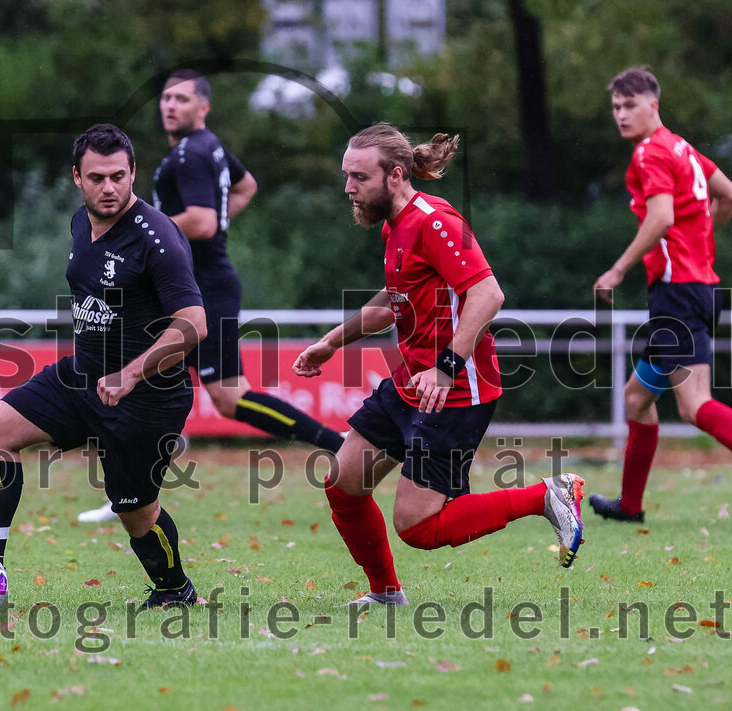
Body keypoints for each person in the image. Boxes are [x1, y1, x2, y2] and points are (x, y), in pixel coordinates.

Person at [293, 123, 586, 605]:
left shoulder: (435, 221)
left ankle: (546, 496)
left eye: (358, 177)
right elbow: (393, 300)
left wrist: (447, 366)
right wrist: (331, 342)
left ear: (395, 175)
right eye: (347, 175)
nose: (348, 187)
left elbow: (487, 293)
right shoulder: (395, 223)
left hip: (455, 390)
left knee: (418, 526)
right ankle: (385, 593)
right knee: (344, 482)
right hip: (412, 383)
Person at [0, 124, 207, 608]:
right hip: (82, 376)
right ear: (77, 176)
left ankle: (175, 590)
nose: (109, 187)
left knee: (134, 509)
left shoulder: (157, 239)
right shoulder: (81, 223)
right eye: (97, 177)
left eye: (119, 176)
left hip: (148, 396)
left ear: (134, 172)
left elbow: (194, 324)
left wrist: (132, 372)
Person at [78, 70, 343, 523]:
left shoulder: (191, 153)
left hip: (202, 289)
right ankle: (132, 488)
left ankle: (341, 445)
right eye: (166, 97)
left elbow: (201, 222)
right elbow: (246, 187)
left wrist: (140, 235)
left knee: (228, 397)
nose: (170, 105)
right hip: (183, 285)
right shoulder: (209, 146)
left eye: (182, 98)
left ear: (203, 107)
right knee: (145, 380)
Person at [590, 67, 732, 523]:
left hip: (678, 294)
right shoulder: (683, 148)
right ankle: (629, 506)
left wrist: (618, 269)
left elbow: (662, 218)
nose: (621, 114)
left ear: (654, 104)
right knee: (637, 398)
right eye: (616, 107)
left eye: (630, 105)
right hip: (697, 288)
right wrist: (702, 239)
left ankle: (630, 504)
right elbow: (726, 194)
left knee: (693, 407)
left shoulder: (650, 153)